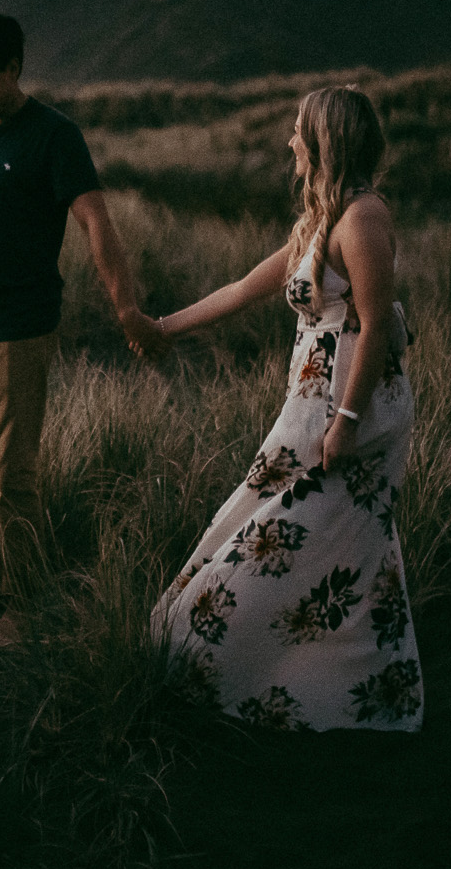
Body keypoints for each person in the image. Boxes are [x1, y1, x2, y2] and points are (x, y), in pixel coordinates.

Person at [148, 86, 423, 731]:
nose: (289, 143)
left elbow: (377, 322)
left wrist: (347, 422)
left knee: (319, 544)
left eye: (298, 132)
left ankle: (325, 691)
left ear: (326, 141)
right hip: (310, 406)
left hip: (348, 411)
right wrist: (164, 328)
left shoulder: (363, 219)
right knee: (323, 546)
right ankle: (323, 686)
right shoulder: (321, 219)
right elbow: (245, 287)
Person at [0, 10, 166, 633]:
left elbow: (96, 221)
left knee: (11, 481)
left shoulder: (53, 136)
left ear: (14, 68)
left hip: (17, 334)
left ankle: (25, 605)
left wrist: (124, 307)